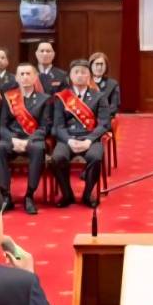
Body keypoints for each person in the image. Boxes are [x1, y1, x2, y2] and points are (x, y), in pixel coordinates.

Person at [0, 63, 52, 215]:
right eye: (22, 74)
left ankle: (29, 195)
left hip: (32, 139)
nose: (25, 77)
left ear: (35, 77)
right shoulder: (9, 98)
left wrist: (28, 141)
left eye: (28, 74)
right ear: (17, 78)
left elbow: (44, 127)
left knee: (38, 148)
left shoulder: (44, 99)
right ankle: (6, 196)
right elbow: (2, 126)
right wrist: (12, 139)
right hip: (12, 138)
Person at [50, 60, 111, 206]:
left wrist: (89, 140)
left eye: (83, 72)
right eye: (76, 72)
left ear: (89, 76)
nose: (80, 75)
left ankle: (87, 194)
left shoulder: (99, 96)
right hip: (68, 138)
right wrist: (69, 140)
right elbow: (58, 126)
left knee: (95, 157)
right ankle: (67, 195)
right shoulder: (61, 97)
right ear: (70, 76)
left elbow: (104, 124)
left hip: (90, 138)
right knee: (57, 158)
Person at [88, 52, 121, 118]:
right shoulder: (84, 83)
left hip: (104, 118)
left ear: (106, 66)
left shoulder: (112, 84)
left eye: (102, 64)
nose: (99, 67)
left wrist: (101, 116)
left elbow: (114, 107)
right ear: (90, 66)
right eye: (96, 64)